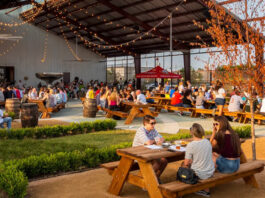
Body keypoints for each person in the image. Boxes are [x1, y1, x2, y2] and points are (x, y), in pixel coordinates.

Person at [182, 123, 215, 197]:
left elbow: (186, 163)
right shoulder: (207, 142)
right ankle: (206, 190)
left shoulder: (191, 145)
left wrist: (190, 161)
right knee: (200, 164)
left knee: (183, 166)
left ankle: (181, 191)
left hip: (200, 174)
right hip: (210, 171)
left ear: (191, 132)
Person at [132, 115, 167, 183]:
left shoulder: (153, 130)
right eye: (152, 123)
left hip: (149, 153)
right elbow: (148, 143)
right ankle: (146, 181)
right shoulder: (141, 131)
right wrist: (156, 140)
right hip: (138, 154)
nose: (153, 125)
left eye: (154, 123)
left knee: (164, 161)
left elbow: (162, 139)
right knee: (157, 162)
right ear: (145, 123)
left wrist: (155, 140)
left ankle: (155, 178)